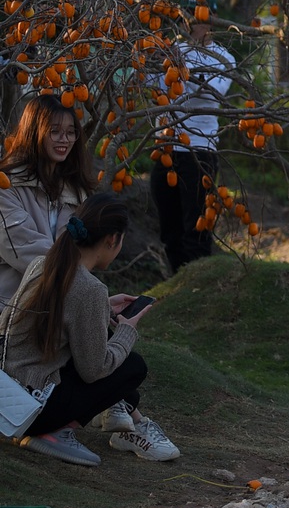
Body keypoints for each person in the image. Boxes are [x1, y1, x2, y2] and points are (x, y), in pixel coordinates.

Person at [1, 194, 180, 465]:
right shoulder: (89, 288)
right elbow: (94, 369)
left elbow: (53, 313)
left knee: (102, 338)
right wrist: (127, 331)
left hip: (8, 393)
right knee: (132, 365)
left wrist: (103, 309)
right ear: (112, 240)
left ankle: (123, 418)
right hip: (35, 411)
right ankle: (57, 432)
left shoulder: (43, 264)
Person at [147, 20, 236, 272]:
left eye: (195, 20)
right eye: (186, 19)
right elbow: (152, 84)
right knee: (169, 228)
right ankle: (178, 282)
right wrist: (150, 59)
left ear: (209, 24)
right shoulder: (171, 49)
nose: (188, 25)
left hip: (199, 151)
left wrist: (182, 66)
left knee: (196, 226)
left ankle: (198, 285)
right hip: (165, 148)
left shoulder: (223, 58)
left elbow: (213, 93)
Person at [0, 94, 97, 308]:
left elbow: (86, 252)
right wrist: (88, 288)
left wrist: (97, 299)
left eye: (71, 132)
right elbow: (24, 248)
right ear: (35, 132)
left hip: (58, 306)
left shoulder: (75, 192)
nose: (65, 139)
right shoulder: (6, 187)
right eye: (55, 131)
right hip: (11, 308)